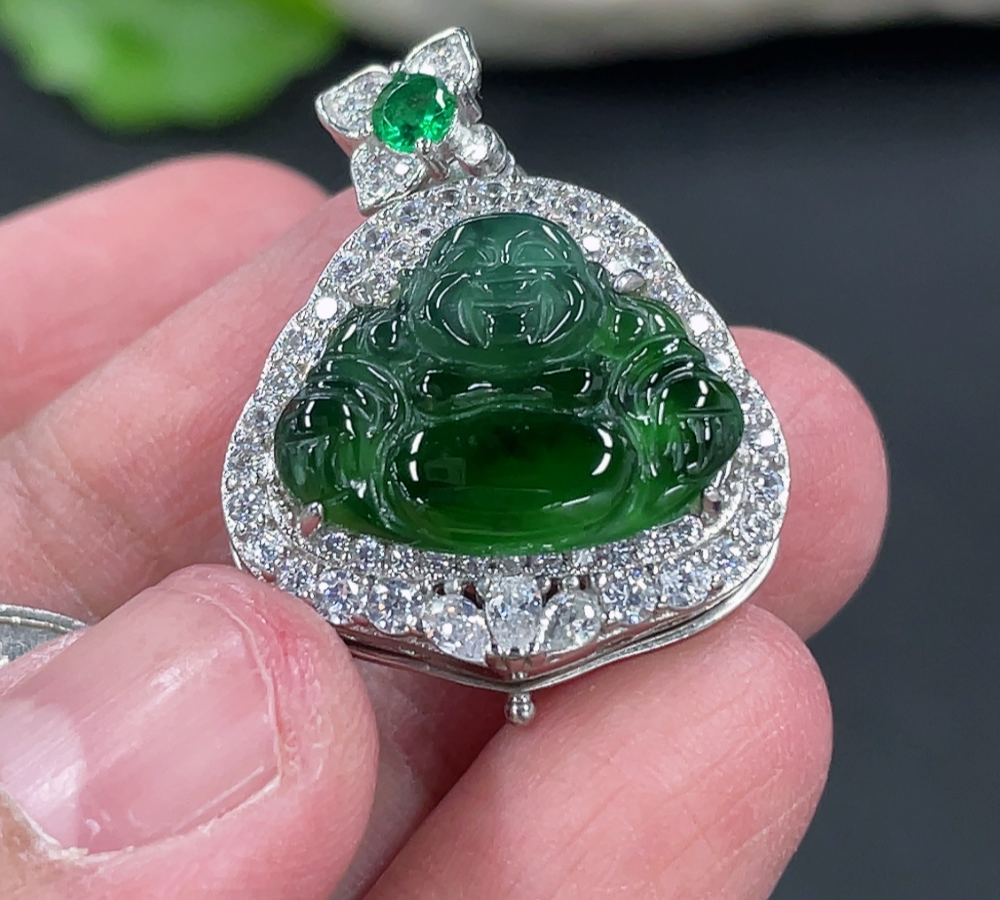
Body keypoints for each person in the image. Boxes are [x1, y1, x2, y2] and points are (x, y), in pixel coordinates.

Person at [0, 156, 888, 900]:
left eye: (533, 290)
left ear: (578, 287)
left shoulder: (623, 329)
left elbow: (689, 392)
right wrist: (337, 437)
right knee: (414, 464)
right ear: (431, 294)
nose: (507, 311)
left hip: (590, 459)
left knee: (614, 459)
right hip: (427, 475)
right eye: (476, 293)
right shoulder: (389, 341)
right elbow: (325, 411)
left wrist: (680, 413)